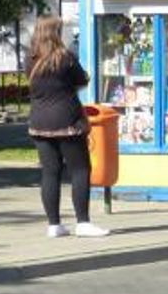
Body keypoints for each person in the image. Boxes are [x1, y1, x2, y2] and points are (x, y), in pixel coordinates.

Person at [27, 15, 109, 238]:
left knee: (50, 172)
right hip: (67, 121)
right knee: (80, 169)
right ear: (56, 32)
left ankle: (54, 225)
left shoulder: (31, 59)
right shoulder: (65, 58)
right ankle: (83, 222)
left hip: (39, 122)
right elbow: (81, 80)